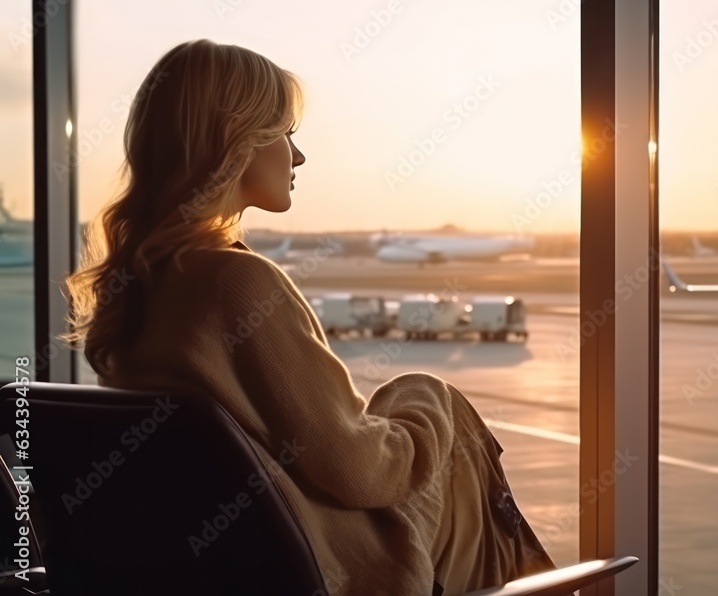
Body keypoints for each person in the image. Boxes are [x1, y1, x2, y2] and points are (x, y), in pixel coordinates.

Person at [61, 39, 555, 595]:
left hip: (236, 568)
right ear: (235, 141)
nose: (297, 157)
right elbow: (359, 468)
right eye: (285, 133)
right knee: (431, 396)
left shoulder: (135, 290)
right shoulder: (236, 283)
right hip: (333, 569)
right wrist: (430, 421)